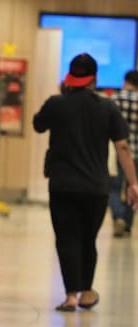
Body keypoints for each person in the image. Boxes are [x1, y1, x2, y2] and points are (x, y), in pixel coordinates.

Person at [33, 53, 138, 312]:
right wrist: (133, 183)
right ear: (95, 78)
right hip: (96, 187)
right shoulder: (107, 107)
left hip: (62, 185)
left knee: (66, 237)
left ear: (70, 76)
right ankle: (87, 292)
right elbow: (122, 146)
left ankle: (70, 295)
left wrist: (61, 94)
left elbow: (37, 124)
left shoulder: (56, 104)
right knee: (87, 239)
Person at [109, 70, 138, 237]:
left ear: (125, 81)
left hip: (119, 151)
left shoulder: (114, 100)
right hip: (137, 153)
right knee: (133, 187)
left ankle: (118, 216)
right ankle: (127, 223)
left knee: (114, 186)